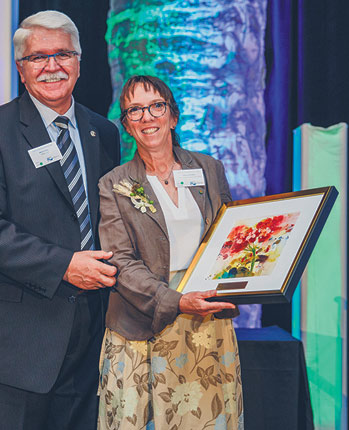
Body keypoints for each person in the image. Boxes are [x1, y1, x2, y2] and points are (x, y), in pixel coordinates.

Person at [0, 10, 120, 430]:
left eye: (63, 53)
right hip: (20, 345)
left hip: (94, 336)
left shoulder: (105, 132)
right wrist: (65, 264)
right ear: (21, 69)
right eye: (38, 57)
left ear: (79, 62)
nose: (52, 66)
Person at [97, 75, 244, 429]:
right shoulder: (114, 183)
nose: (147, 117)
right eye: (135, 110)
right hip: (140, 323)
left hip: (205, 323)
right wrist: (176, 301)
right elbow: (121, 263)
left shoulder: (209, 169)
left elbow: (229, 239)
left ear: (173, 116)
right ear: (127, 125)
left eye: (156, 106)